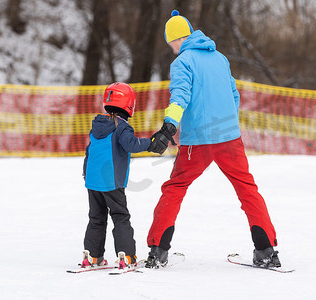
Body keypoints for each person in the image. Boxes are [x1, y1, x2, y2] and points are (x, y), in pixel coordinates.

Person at [144, 10, 280, 268]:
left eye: (171, 43)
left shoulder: (182, 62)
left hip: (198, 141)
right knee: (247, 189)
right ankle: (266, 250)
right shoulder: (220, 58)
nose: (172, 49)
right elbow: (234, 95)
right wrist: (228, 125)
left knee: (175, 188)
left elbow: (180, 95)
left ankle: (158, 249)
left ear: (176, 39)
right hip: (230, 138)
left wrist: (169, 126)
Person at [80, 82, 153, 269]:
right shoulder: (121, 127)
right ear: (129, 104)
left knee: (96, 217)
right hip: (111, 181)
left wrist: (85, 171)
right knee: (120, 216)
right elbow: (132, 145)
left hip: (93, 181)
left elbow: (90, 151)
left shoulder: (97, 124)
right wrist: (151, 142)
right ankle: (126, 256)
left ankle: (92, 256)